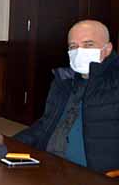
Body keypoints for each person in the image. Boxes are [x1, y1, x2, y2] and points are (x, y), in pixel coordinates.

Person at [15, 20, 118, 173]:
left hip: (94, 175)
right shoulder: (64, 80)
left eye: (88, 45)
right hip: (49, 164)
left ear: (107, 49)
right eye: (73, 46)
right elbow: (46, 124)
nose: (79, 51)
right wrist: (10, 144)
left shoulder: (114, 83)